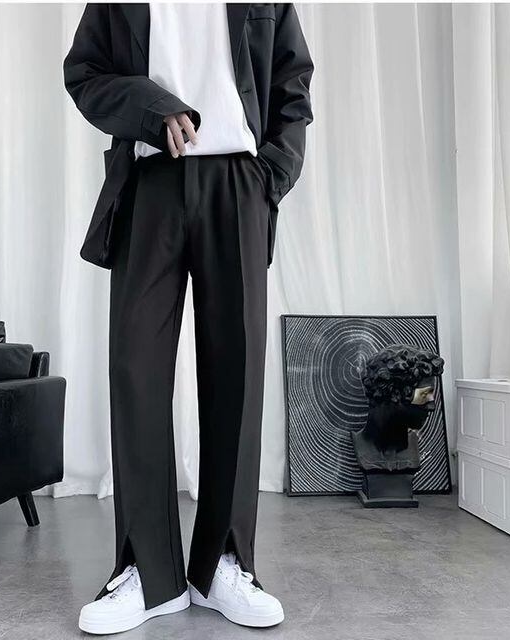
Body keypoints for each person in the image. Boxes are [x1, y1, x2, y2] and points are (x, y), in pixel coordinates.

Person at [64, 2, 313, 634]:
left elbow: (293, 81)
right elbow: (84, 72)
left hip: (239, 180)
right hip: (150, 179)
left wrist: (272, 174)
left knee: (238, 371)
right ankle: (147, 573)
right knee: (135, 370)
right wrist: (155, 109)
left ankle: (224, 563)